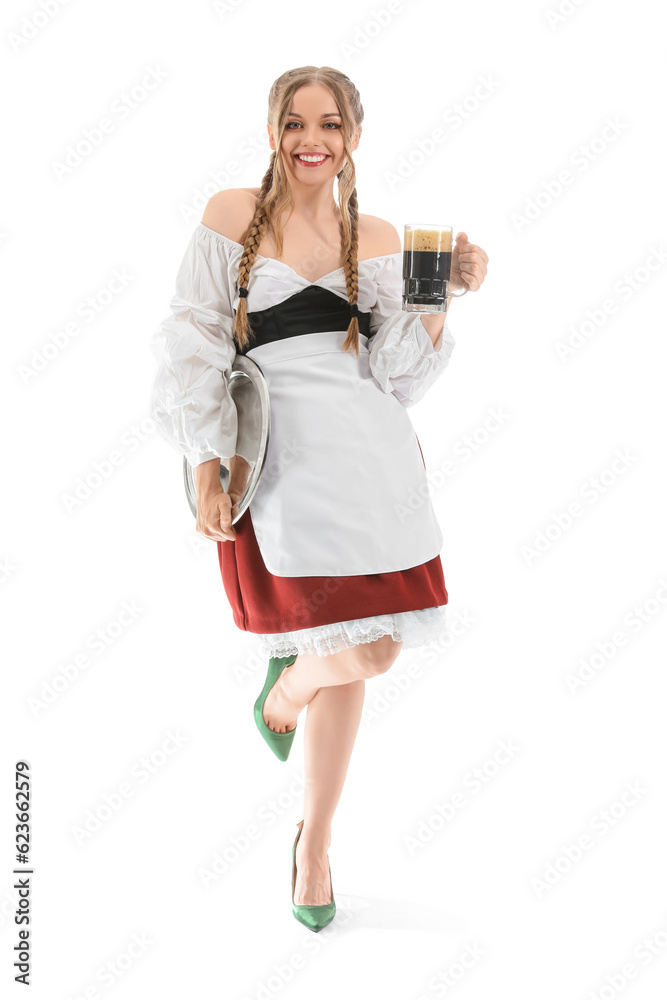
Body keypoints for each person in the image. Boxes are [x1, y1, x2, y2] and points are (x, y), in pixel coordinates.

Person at [149, 65, 488, 932]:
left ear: (353, 138)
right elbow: (192, 342)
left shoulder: (375, 235)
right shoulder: (231, 215)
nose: (313, 138)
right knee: (363, 652)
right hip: (280, 459)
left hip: (370, 457)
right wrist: (205, 464)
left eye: (330, 124)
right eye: (296, 122)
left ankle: (314, 842)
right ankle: (286, 703)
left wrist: (440, 295)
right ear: (272, 131)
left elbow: (399, 373)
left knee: (366, 653)